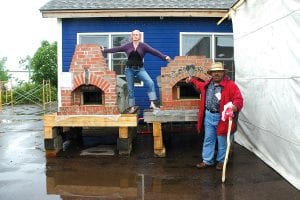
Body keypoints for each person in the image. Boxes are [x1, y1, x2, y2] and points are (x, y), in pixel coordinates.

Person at [186, 62, 243, 170]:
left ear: (223, 73)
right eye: (214, 72)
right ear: (211, 73)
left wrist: (233, 107)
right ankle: (207, 161)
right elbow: (199, 85)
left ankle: (221, 161)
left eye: (219, 71)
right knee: (209, 139)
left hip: (222, 118)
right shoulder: (208, 84)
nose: (216, 73)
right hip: (208, 116)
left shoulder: (231, 85)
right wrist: (192, 80)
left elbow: (238, 100)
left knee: (222, 141)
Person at [100, 29, 171, 113]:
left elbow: (154, 52)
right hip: (129, 70)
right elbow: (116, 49)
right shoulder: (127, 46)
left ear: (139, 36)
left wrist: (164, 57)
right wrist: (104, 50)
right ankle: (132, 107)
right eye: (134, 34)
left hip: (140, 70)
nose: (135, 36)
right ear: (131, 36)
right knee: (131, 89)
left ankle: (152, 103)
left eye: (137, 35)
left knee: (150, 83)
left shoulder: (143, 46)